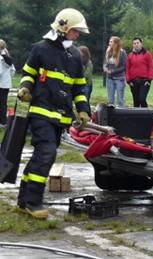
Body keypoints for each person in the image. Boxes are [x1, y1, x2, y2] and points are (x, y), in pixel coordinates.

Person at [16, 8, 91, 219]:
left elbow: (79, 87)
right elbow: (28, 74)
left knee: (41, 156)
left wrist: (84, 111)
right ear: (63, 27)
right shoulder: (40, 49)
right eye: (75, 31)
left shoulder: (75, 55)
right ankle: (33, 202)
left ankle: (24, 199)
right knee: (47, 154)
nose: (77, 36)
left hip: (61, 117)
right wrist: (25, 89)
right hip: (41, 112)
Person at [126, 37, 153, 107]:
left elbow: (151, 67)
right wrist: (129, 81)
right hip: (133, 82)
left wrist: (149, 80)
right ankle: (136, 117)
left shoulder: (147, 54)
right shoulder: (130, 55)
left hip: (144, 81)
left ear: (141, 44)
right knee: (136, 101)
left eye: (137, 43)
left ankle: (145, 114)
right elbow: (127, 68)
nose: (136, 45)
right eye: (134, 43)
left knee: (142, 99)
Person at [103, 36, 127, 107]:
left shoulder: (122, 53)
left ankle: (121, 116)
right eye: (109, 41)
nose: (109, 43)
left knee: (120, 100)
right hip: (109, 78)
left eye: (111, 41)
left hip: (119, 78)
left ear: (116, 43)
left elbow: (124, 66)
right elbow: (105, 62)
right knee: (110, 100)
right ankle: (111, 116)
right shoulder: (108, 51)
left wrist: (113, 71)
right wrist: (105, 67)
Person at [0, 39, 15, 128]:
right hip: (6, 84)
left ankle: (2, 122)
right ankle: (3, 121)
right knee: (3, 103)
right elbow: (13, 70)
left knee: (1, 103)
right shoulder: (7, 56)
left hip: (1, 84)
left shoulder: (1, 58)